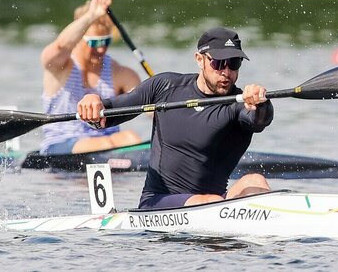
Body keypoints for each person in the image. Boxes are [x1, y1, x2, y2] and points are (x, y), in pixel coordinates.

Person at [77, 27, 274, 209]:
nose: (226, 72)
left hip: (213, 205)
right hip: (158, 203)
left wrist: (261, 103)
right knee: (211, 201)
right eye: (219, 63)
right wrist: (93, 101)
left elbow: (260, 120)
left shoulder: (239, 104)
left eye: (234, 63)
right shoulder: (165, 86)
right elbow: (109, 113)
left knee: (255, 181)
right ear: (199, 59)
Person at [40, 0, 143, 155]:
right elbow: (60, 46)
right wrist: (90, 17)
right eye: (95, 42)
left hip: (109, 144)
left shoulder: (122, 74)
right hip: (61, 143)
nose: (101, 48)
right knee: (104, 143)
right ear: (79, 37)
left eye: (106, 41)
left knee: (130, 137)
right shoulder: (59, 65)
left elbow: (148, 105)